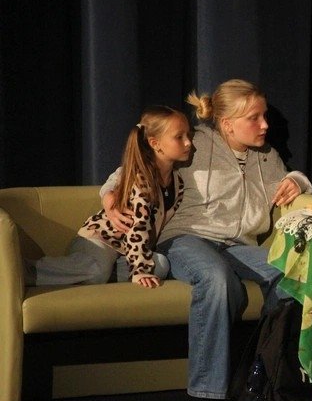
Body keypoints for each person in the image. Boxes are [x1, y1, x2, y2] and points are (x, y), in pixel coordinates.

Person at [102, 79, 312, 401]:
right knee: (216, 278)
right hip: (186, 238)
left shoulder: (268, 158)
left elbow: (292, 182)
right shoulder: (196, 143)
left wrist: (298, 180)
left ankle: (265, 377)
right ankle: (207, 393)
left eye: (264, 116)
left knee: (289, 272)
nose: (265, 125)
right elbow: (136, 165)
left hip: (237, 246)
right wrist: (110, 196)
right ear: (227, 124)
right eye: (254, 118)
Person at [26, 106, 191, 288]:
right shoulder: (141, 179)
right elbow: (138, 228)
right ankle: (28, 272)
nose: (188, 143)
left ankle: (103, 273)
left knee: (161, 265)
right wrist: (140, 269)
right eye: (179, 137)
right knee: (98, 269)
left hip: (126, 251)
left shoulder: (177, 182)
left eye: (188, 135)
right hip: (101, 240)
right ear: (155, 143)